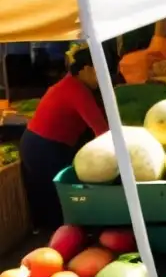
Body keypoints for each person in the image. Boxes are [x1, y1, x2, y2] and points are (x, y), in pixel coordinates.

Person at [20, 48, 109, 230]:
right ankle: (55, 238)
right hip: (42, 145)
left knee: (50, 193)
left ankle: (53, 234)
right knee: (54, 194)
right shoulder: (76, 90)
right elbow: (101, 130)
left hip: (39, 142)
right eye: (99, 72)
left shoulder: (72, 85)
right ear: (86, 69)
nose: (103, 78)